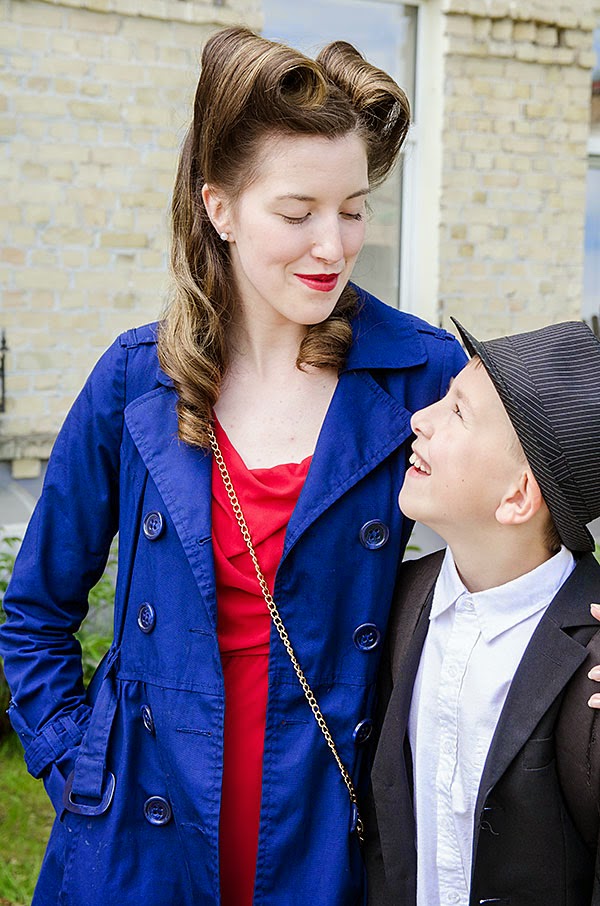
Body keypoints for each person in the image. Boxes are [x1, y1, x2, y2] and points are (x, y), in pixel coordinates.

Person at [0, 26, 466, 906]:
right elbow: (36, 610)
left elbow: (527, 528)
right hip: (142, 828)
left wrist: (577, 637)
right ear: (219, 209)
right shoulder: (137, 379)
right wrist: (79, 770)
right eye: (297, 214)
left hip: (328, 817)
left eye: (354, 209)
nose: (333, 245)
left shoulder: (422, 374)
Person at [365, 318, 600, 906]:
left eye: (458, 412)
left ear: (517, 496)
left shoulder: (593, 659)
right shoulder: (395, 602)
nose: (420, 419)